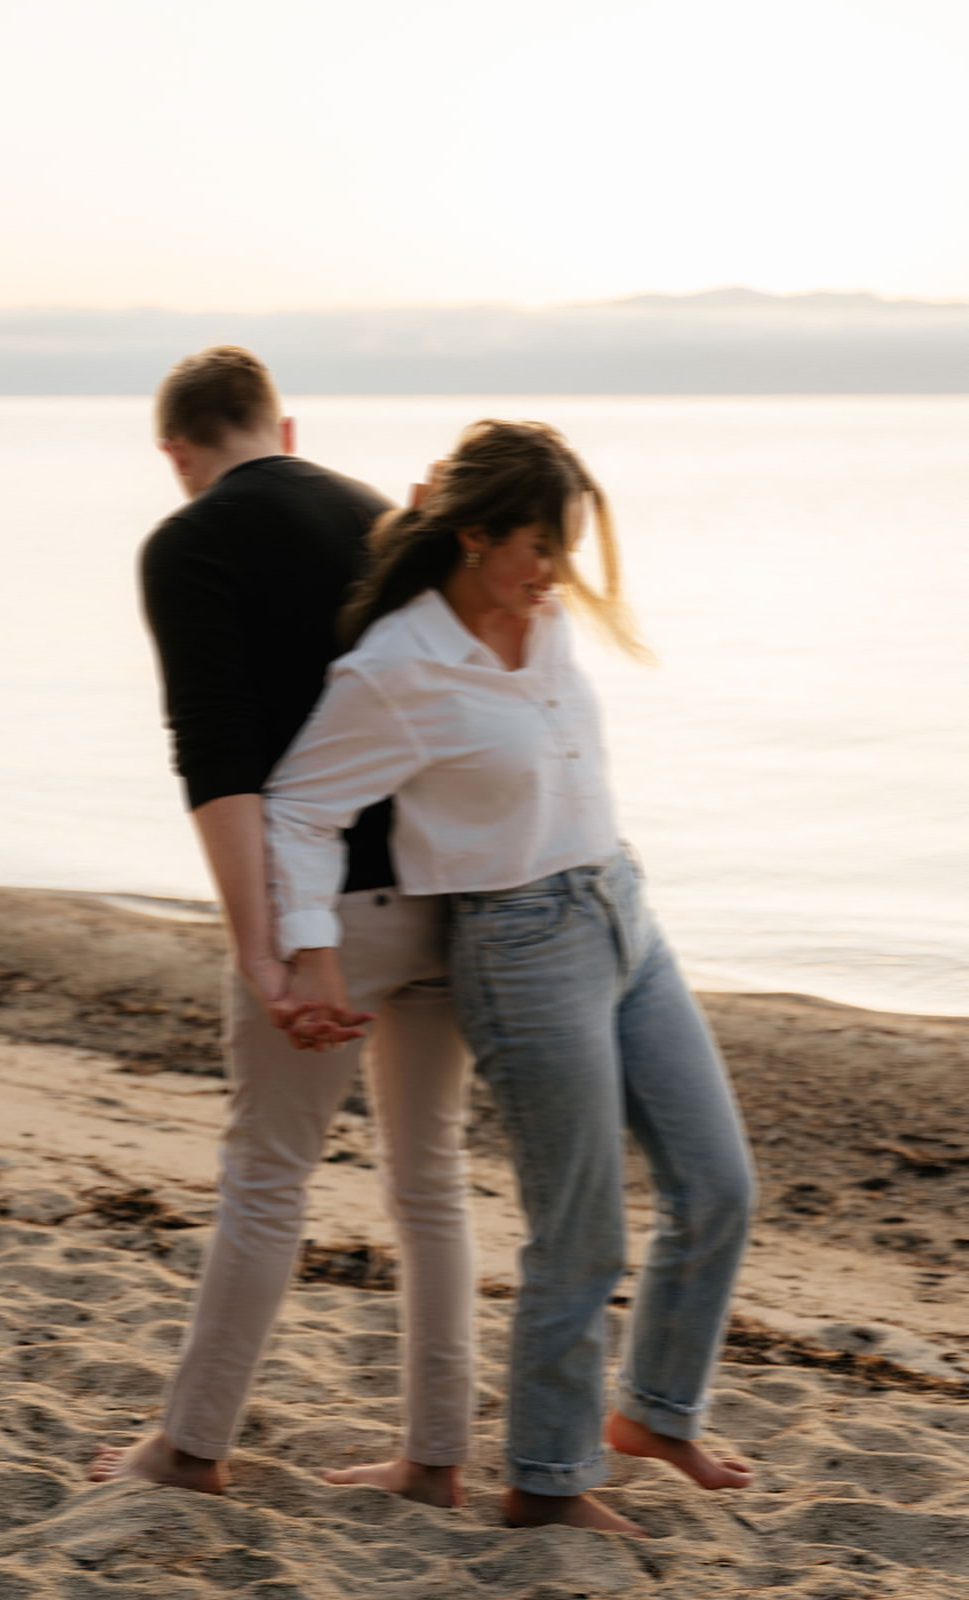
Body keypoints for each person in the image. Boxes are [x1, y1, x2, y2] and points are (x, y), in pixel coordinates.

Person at [264, 419, 757, 1534]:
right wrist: (312, 947)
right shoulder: (394, 667)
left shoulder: (540, 623)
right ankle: (544, 1480)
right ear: (477, 535)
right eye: (538, 545)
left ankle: (653, 1412)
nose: (555, 572)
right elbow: (301, 805)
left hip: (620, 907)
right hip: (519, 944)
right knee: (578, 1227)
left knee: (718, 1184)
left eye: (565, 544)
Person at [89, 346, 474, 1507]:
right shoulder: (376, 518)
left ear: (175, 452)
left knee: (266, 1175)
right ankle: (434, 1462)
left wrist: (260, 943)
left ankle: (192, 1448)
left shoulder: (188, 542)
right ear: (285, 428)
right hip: (446, 892)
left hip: (332, 913)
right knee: (431, 1178)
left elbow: (215, 759)